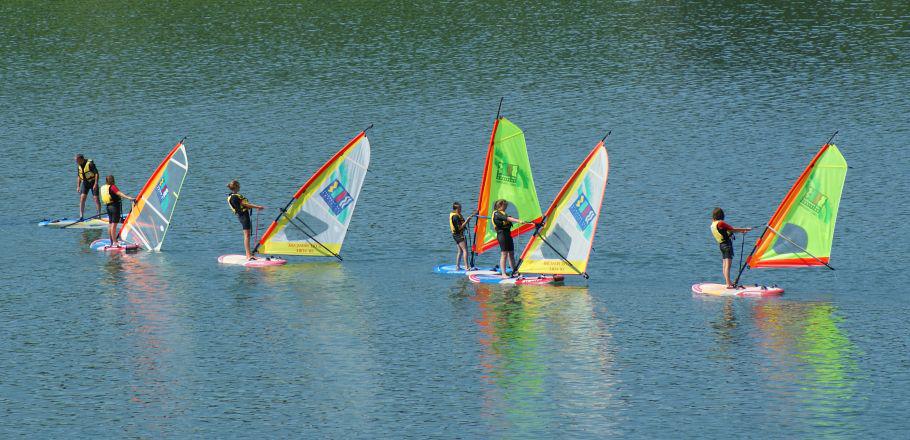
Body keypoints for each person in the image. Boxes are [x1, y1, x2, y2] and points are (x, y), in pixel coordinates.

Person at [711, 207, 752, 288]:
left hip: (721, 245)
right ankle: (728, 284)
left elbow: (727, 231)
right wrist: (745, 229)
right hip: (727, 246)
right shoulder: (721, 223)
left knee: (724, 265)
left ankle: (727, 282)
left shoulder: (713, 224)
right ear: (721, 215)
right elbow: (733, 229)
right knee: (728, 266)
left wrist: (740, 231)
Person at [492, 199, 532, 277]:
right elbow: (508, 219)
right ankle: (503, 273)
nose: (506, 207)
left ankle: (514, 271)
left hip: (508, 235)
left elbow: (508, 218)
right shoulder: (497, 214)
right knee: (504, 254)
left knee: (511, 254)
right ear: (500, 206)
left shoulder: (504, 214)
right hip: (502, 235)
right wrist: (518, 221)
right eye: (505, 205)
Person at [227, 180, 264, 260]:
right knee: (247, 236)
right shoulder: (235, 196)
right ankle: (248, 255)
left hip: (241, 216)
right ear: (236, 186)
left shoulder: (231, 196)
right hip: (244, 216)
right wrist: (258, 207)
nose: (240, 186)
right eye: (239, 185)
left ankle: (249, 254)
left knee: (246, 235)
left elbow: (243, 206)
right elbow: (245, 204)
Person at [99, 175, 135, 248]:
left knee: (110, 224)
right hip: (114, 207)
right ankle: (115, 242)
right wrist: (128, 198)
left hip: (108, 207)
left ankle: (112, 241)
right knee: (114, 225)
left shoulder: (104, 187)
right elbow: (119, 193)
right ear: (112, 180)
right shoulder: (112, 187)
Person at [449, 202, 477, 271]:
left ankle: (457, 266)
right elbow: (460, 227)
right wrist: (467, 221)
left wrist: (472, 215)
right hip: (458, 235)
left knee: (460, 251)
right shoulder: (455, 217)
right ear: (455, 209)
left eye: (461, 208)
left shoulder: (457, 214)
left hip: (456, 235)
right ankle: (467, 267)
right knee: (465, 250)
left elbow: (462, 223)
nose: (460, 210)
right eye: (459, 209)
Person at [75, 154, 101, 219]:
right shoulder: (79, 166)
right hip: (85, 183)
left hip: (93, 182)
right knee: (82, 198)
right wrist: (78, 186)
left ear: (81, 159)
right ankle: (81, 216)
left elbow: (96, 174)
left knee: (96, 198)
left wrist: (96, 183)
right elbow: (79, 176)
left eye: (77, 160)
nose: (76, 162)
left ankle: (99, 215)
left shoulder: (90, 164)